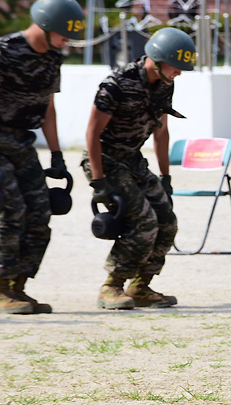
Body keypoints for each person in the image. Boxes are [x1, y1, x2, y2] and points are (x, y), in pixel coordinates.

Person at [82, 27, 193, 310]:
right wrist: (98, 182)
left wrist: (165, 177)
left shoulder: (165, 84)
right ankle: (112, 286)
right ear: (157, 58)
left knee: (167, 221)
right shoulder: (116, 84)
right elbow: (92, 134)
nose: (179, 72)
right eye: (177, 66)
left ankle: (141, 287)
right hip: (106, 161)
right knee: (143, 221)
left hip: (133, 160)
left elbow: (161, 131)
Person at [0, 0, 84, 315]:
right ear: (45, 26)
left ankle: (18, 286)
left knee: (41, 210)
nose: (67, 42)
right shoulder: (2, 53)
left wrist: (56, 155)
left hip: (22, 142)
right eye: (64, 35)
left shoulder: (52, 57)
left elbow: (48, 108)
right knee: (14, 209)